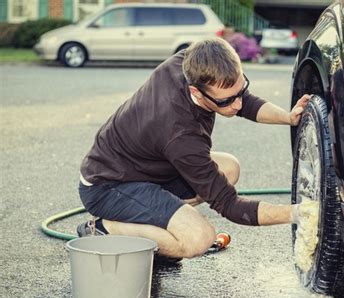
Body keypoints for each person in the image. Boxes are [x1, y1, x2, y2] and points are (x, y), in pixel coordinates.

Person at [77, 38, 311, 259]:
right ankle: (104, 228)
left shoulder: (192, 61)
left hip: (145, 170)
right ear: (195, 92)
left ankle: (158, 227)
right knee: (198, 238)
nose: (237, 104)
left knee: (229, 168)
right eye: (226, 101)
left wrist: (288, 117)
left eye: (240, 91)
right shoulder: (180, 134)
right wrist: (299, 213)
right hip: (109, 186)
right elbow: (229, 205)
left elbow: (244, 102)